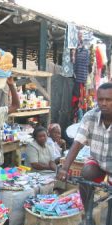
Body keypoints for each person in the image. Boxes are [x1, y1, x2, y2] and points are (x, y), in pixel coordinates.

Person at [57, 83, 112, 215]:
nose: (104, 103)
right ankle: (87, 213)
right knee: (87, 172)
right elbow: (77, 143)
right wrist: (65, 168)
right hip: (98, 161)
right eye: (101, 99)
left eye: (109, 100)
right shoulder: (90, 116)